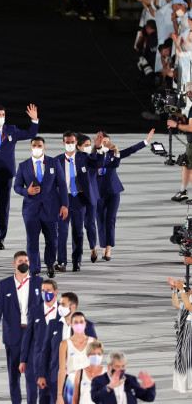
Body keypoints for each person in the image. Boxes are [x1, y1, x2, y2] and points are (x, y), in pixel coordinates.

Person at [0, 104, 39, 250]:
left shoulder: (11, 130)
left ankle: (1, 238)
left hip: (6, 174)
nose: (1, 117)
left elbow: (30, 134)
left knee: (3, 208)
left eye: (3, 115)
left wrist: (34, 119)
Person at [0, 251, 43, 404]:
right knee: (14, 376)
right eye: (20, 261)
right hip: (12, 336)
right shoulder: (4, 284)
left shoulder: (38, 282)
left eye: (26, 260)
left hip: (32, 335)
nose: (24, 263)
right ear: (14, 264)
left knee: (32, 376)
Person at [13, 137, 69, 278]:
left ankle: (50, 264)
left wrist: (64, 205)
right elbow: (17, 187)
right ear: (30, 147)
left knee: (52, 239)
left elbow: (62, 185)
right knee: (32, 240)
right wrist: (27, 191)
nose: (37, 147)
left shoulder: (54, 162)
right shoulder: (23, 165)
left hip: (51, 209)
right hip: (31, 210)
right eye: (34, 145)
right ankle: (35, 269)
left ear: (44, 147)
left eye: (39, 145)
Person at [95, 131, 153, 261]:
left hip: (114, 191)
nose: (106, 143)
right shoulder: (93, 156)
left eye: (108, 141)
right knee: (100, 220)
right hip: (98, 193)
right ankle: (103, 246)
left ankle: (108, 249)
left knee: (111, 219)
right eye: (103, 141)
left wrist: (146, 141)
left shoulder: (114, 154)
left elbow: (131, 150)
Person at [55, 131, 108, 271]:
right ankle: (61, 262)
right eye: (68, 142)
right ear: (63, 143)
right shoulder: (57, 161)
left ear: (76, 143)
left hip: (79, 198)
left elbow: (101, 163)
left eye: (73, 142)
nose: (70, 144)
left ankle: (76, 261)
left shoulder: (84, 157)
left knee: (78, 232)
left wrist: (99, 149)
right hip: (63, 200)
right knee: (62, 232)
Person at [39, 292, 98, 404]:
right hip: (56, 376)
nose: (60, 307)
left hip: (79, 376)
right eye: (60, 304)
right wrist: (41, 375)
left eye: (63, 304)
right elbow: (45, 351)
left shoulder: (88, 326)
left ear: (73, 306)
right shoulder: (53, 325)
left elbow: (94, 353)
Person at [20, 278, 59, 403]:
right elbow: (28, 337)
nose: (45, 293)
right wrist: (23, 360)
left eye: (48, 290)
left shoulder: (63, 312)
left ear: (55, 292)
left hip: (58, 360)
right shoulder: (35, 311)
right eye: (43, 290)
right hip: (40, 360)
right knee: (43, 394)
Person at [56, 312, 97, 403]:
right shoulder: (64, 344)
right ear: (71, 324)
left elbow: (96, 366)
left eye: (81, 322)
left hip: (89, 384)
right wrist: (59, 395)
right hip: (71, 383)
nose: (79, 325)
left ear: (85, 324)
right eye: (76, 322)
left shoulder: (93, 341)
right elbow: (62, 369)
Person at [90, 351, 156, 403]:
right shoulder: (98, 380)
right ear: (109, 366)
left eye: (123, 366)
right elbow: (95, 398)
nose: (121, 369)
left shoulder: (130, 380)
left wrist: (151, 386)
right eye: (117, 366)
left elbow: (149, 398)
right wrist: (109, 387)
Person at [170, 276, 192, 392]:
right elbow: (177, 305)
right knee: (184, 359)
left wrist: (182, 291)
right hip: (186, 332)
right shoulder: (189, 299)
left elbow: (188, 306)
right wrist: (175, 290)